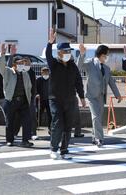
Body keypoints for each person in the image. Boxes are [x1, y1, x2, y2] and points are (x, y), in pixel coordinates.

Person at [46, 29, 86, 159]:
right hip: (55, 99)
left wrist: (82, 97)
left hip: (70, 100)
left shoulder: (72, 66)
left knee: (68, 125)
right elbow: (47, 56)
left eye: (69, 51)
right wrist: (49, 43)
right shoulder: (54, 64)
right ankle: (53, 149)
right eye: (65, 51)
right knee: (57, 123)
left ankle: (64, 150)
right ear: (59, 53)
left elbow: (78, 81)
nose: (68, 53)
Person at [77, 44, 122, 147]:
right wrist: (82, 54)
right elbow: (79, 66)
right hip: (91, 95)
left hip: (101, 96)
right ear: (101, 54)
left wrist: (118, 95)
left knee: (97, 118)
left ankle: (94, 136)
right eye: (106, 55)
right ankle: (99, 138)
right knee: (96, 116)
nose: (107, 57)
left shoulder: (106, 68)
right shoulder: (90, 63)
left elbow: (111, 82)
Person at [0, 44, 34, 147]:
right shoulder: (8, 71)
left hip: (23, 101)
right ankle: (10, 140)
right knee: (10, 121)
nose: (22, 64)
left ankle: (25, 140)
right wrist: (3, 54)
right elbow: (0, 66)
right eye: (19, 63)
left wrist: (29, 98)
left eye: (23, 62)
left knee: (26, 121)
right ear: (14, 64)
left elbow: (29, 87)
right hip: (11, 100)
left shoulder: (25, 73)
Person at [36, 66, 52, 135]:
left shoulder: (51, 79)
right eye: (44, 72)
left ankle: (50, 128)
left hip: (49, 100)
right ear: (41, 72)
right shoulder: (38, 80)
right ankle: (36, 126)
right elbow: (35, 88)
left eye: (46, 71)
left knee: (50, 115)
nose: (45, 73)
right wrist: (37, 94)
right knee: (38, 113)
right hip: (41, 100)